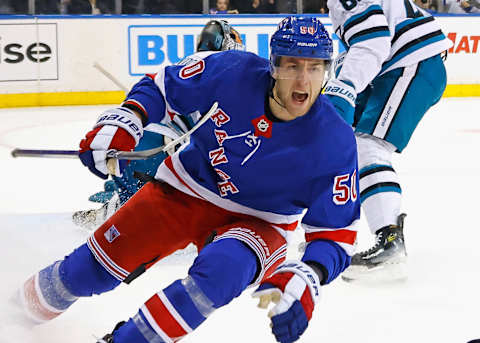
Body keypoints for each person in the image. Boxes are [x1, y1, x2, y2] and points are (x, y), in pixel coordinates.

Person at [16, 16, 360, 343]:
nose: (303, 81)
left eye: (315, 68)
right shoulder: (232, 71)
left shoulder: (335, 141)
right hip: (184, 189)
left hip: (262, 222)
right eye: (292, 66)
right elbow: (163, 86)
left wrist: (310, 273)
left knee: (220, 274)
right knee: (86, 272)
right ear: (274, 65)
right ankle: (16, 312)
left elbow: (336, 234)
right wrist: (127, 118)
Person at [72, 19, 246, 229]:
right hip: (159, 154)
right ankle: (123, 211)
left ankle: (113, 209)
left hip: (131, 145)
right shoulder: (226, 70)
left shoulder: (183, 65)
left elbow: (152, 91)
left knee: (132, 199)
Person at [323, 0, 452, 282]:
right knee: (348, 145)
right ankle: (339, 231)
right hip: (403, 63)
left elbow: (372, 42)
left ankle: (390, 239)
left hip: (412, 62)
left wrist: (343, 90)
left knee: (368, 148)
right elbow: (364, 43)